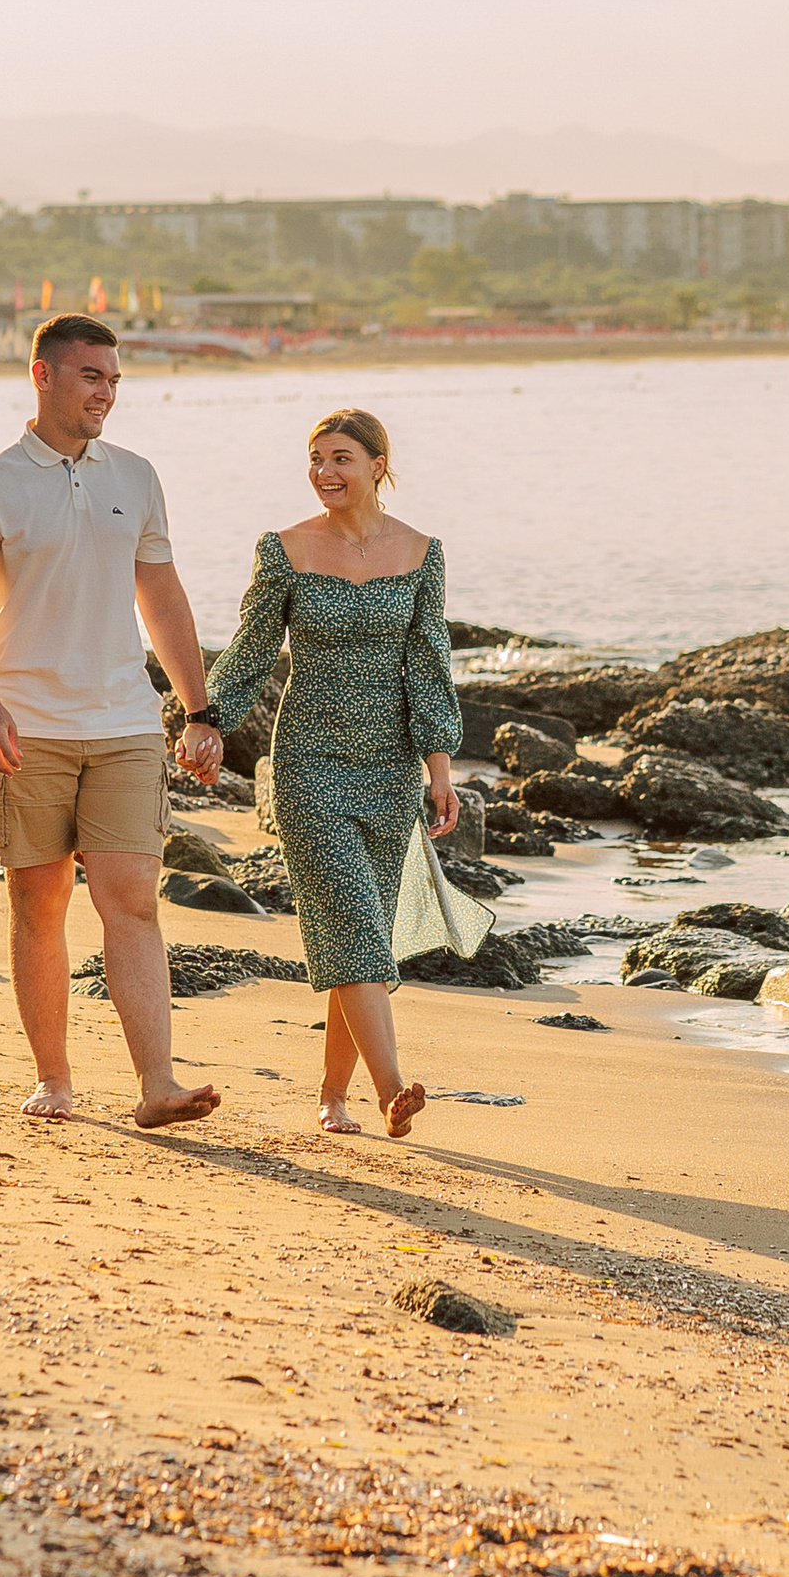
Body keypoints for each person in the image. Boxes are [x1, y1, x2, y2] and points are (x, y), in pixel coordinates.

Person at [0, 314, 227, 1128]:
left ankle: (158, 1084)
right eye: (90, 376)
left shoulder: (135, 477)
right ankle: (56, 1080)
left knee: (131, 895)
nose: (106, 392)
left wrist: (198, 708)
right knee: (38, 900)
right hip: (25, 725)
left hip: (125, 724)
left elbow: (162, 597)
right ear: (44, 375)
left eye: (113, 379)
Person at [204, 407, 467, 1138]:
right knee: (352, 918)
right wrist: (206, 720)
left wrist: (438, 767)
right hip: (309, 760)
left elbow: (429, 663)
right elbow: (252, 649)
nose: (325, 472)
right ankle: (392, 1087)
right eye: (316, 458)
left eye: (342, 458)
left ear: (379, 465)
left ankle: (332, 1096)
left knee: (357, 933)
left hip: (390, 768)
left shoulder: (422, 552)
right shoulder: (284, 549)